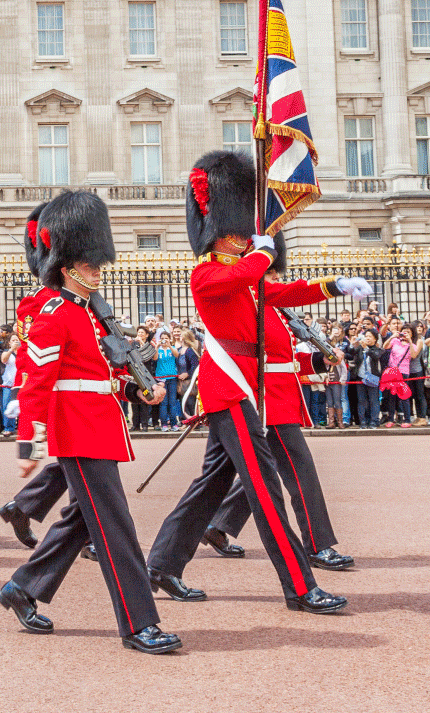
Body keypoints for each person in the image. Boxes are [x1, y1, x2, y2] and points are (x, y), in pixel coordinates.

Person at [144, 151, 357, 613]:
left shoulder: (244, 272)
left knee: (210, 485)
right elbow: (246, 273)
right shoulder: (207, 273)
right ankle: (300, 587)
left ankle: (161, 564)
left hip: (245, 391)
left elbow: (282, 292)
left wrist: (333, 285)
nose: (246, 238)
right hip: (233, 391)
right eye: (239, 230)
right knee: (264, 489)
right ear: (221, 229)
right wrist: (261, 250)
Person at [0, 190, 180, 654]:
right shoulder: (54, 314)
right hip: (79, 432)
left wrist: (140, 387)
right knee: (116, 529)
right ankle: (139, 623)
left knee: (83, 519)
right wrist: (30, 446)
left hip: (101, 426)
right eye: (90, 264)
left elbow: (103, 374)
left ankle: (23, 588)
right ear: (67, 266)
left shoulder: (91, 315)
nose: (98, 270)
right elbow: (36, 383)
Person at [0, 203, 70, 550]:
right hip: (58, 391)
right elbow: (33, 359)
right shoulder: (41, 302)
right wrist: (29, 439)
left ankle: (23, 508)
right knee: (86, 463)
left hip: (84, 391)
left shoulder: (76, 299)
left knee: (86, 464)